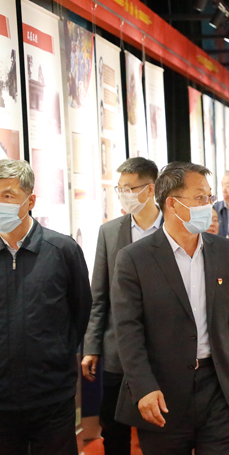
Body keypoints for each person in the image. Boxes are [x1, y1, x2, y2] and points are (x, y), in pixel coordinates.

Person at [111, 162, 229, 455]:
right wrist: (143, 387)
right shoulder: (134, 258)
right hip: (162, 392)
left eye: (209, 196)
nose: (209, 204)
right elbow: (128, 331)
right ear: (172, 204)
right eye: (200, 197)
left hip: (218, 386)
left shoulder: (224, 251)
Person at [0, 159, 92, 455]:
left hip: (52, 396)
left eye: (8, 195)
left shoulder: (62, 250)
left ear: (30, 201)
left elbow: (80, 311)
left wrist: (56, 354)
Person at [82, 157, 162, 455]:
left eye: (130, 188)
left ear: (150, 189)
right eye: (120, 188)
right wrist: (92, 346)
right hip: (118, 348)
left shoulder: (173, 228)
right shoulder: (110, 231)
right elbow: (99, 294)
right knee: (114, 428)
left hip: (163, 348)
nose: (124, 194)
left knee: (161, 429)